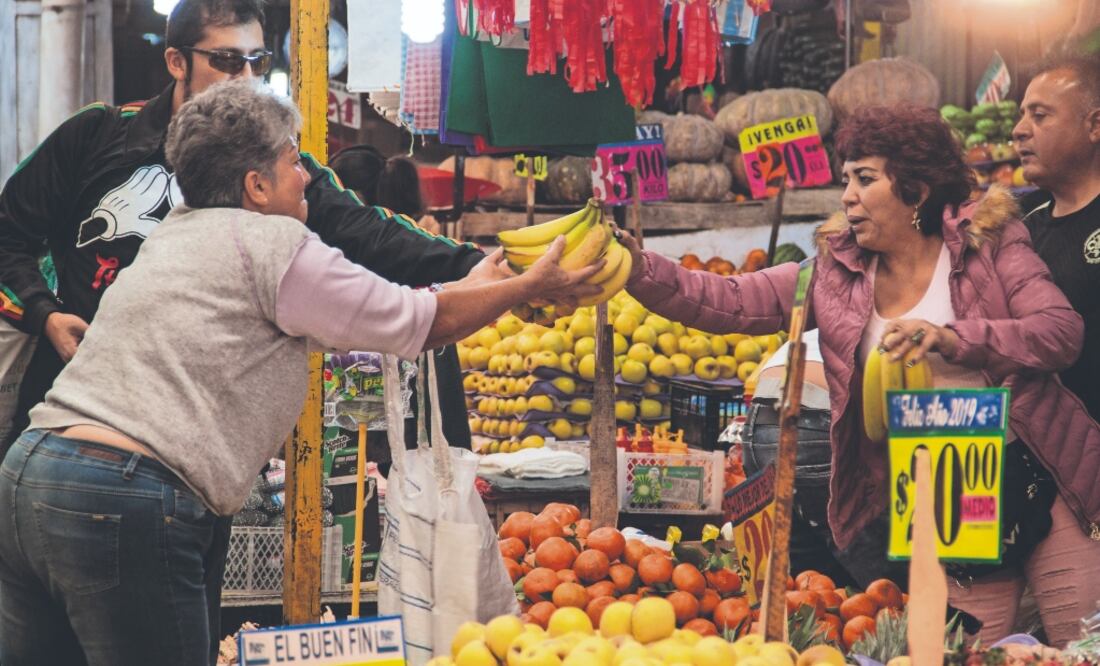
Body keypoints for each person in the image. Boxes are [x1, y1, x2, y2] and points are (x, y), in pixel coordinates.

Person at [0, 80, 600, 666]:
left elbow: (395, 306)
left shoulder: (176, 235)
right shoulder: (274, 245)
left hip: (30, 474)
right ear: (256, 186)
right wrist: (529, 286)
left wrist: (489, 280)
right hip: (123, 496)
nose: (308, 175)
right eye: (294, 161)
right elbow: (424, 323)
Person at [618, 103, 1100, 646]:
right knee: (967, 652)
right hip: (947, 488)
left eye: (864, 179)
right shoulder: (833, 272)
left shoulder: (990, 244)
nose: (846, 194)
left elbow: (1060, 331)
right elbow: (730, 299)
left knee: (1077, 644)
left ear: (915, 191)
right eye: (845, 178)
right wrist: (639, 268)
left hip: (1041, 472)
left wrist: (954, 338)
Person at [1014, 53, 1100, 424]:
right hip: (1043, 455)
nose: (1019, 129)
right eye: (1022, 114)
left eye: (1039, 115)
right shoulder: (1018, 226)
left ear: (1094, 125)